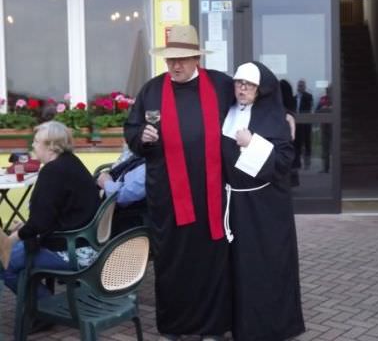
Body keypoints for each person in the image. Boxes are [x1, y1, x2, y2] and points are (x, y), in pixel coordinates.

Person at [124, 24, 233, 340]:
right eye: (170, 58)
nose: (175, 65)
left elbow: (257, 97)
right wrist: (141, 138)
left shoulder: (221, 86)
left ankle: (212, 327)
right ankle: (175, 327)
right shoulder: (152, 90)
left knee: (213, 264)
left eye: (182, 58)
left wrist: (286, 117)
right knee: (173, 264)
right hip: (168, 199)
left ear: (197, 57)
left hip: (213, 196)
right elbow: (131, 131)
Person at [222, 62, 305, 341]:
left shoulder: (276, 117)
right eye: (239, 83)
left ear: (262, 90)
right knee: (238, 267)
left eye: (249, 85)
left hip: (266, 206)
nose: (242, 88)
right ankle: (240, 323)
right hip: (234, 203)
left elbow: (284, 161)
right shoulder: (228, 111)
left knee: (267, 265)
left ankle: (271, 326)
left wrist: (251, 143)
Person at [0, 121, 100, 302]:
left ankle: (44, 307)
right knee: (15, 250)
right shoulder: (71, 162)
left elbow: (40, 223)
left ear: (51, 147)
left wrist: (11, 239)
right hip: (86, 244)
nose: (32, 145)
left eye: (36, 141)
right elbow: (54, 213)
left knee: (4, 262)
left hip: (71, 250)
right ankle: (42, 304)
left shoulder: (53, 171)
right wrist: (27, 226)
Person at [96, 152, 146, 236]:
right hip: (112, 217)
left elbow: (120, 197)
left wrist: (105, 182)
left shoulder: (149, 167)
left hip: (127, 229)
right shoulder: (138, 156)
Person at [294, 79, 313, 169]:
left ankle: (307, 163)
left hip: (305, 124)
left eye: (301, 85)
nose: (300, 87)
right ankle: (297, 162)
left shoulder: (308, 97)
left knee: (307, 142)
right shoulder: (294, 97)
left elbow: (308, 108)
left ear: (304, 87)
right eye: (299, 85)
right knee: (297, 143)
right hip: (297, 124)